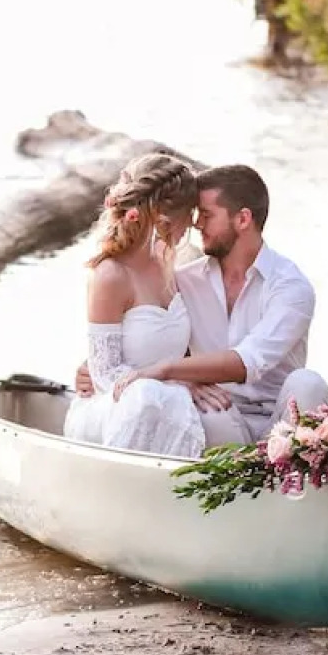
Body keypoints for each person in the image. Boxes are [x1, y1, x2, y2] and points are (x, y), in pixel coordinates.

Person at [72, 163, 328, 452]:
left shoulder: (290, 287)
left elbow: (249, 361)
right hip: (215, 411)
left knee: (309, 384)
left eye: (206, 215)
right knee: (209, 414)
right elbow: (151, 334)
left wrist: (169, 371)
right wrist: (92, 368)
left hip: (279, 415)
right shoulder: (183, 280)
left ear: (243, 219)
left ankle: (297, 474)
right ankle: (233, 478)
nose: (196, 224)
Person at [61, 152, 207, 458]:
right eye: (189, 215)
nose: (193, 224)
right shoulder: (110, 276)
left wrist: (192, 380)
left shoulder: (177, 262)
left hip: (167, 394)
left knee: (183, 404)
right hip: (115, 405)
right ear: (164, 218)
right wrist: (174, 384)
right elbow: (105, 373)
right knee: (145, 396)